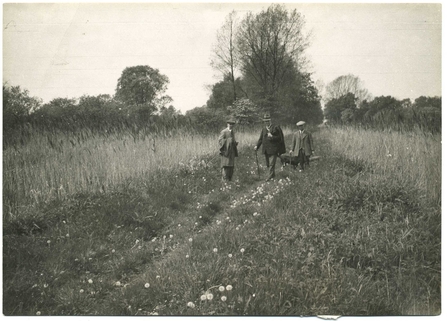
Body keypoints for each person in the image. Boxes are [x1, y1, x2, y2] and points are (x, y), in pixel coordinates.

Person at [254, 113, 286, 181]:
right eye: (265, 121)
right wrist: (257, 146)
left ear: (270, 120)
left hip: (273, 149)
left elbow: (280, 138)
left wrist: (272, 137)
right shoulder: (264, 129)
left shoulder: (276, 127)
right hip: (266, 149)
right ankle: (272, 175)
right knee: (268, 164)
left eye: (268, 121)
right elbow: (260, 139)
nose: (266, 122)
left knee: (272, 164)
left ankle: (269, 177)